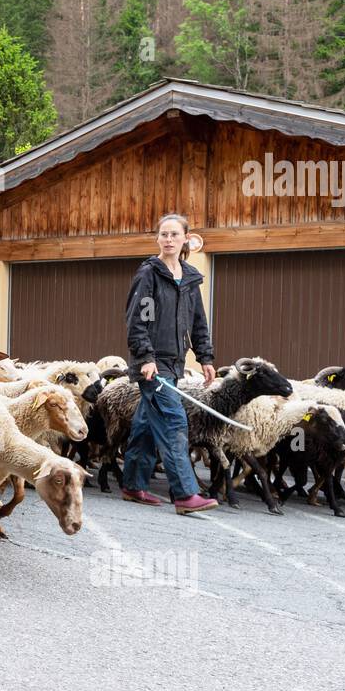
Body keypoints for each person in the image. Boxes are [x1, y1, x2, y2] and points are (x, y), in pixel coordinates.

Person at [121, 213, 219, 515]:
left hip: (175, 363)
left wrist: (205, 357)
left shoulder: (189, 278)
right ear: (158, 239)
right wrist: (146, 357)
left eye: (174, 234)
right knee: (175, 421)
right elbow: (137, 319)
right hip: (153, 363)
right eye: (163, 234)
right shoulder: (149, 274)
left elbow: (198, 321)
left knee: (147, 425)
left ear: (185, 238)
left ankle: (133, 485)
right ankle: (186, 494)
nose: (168, 239)